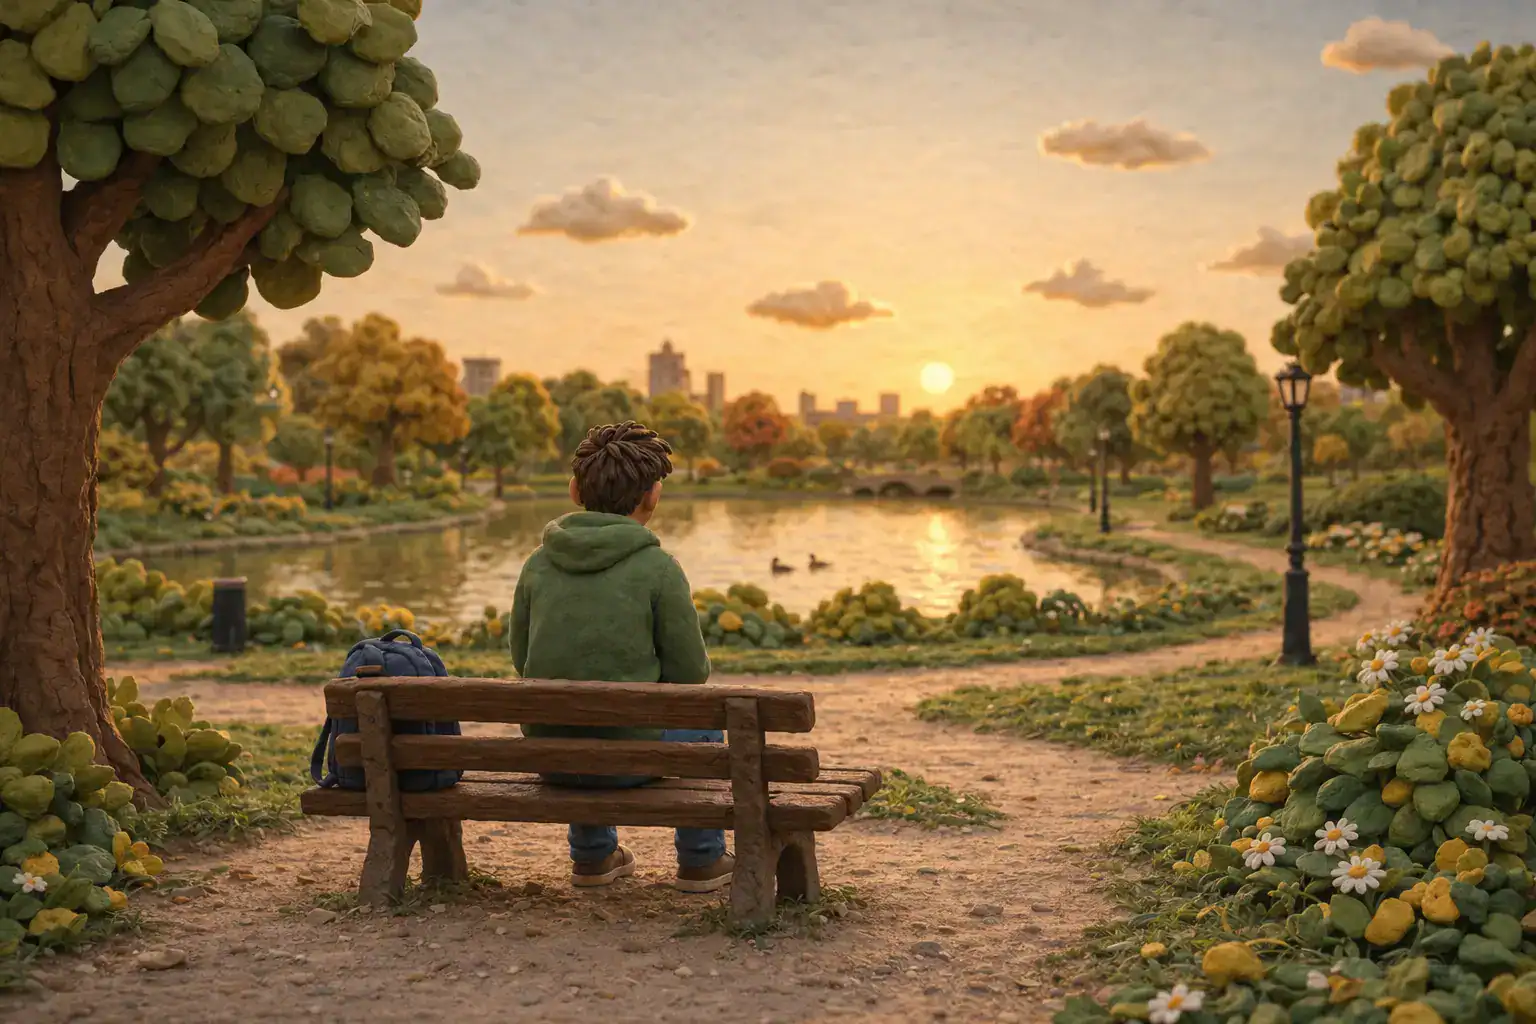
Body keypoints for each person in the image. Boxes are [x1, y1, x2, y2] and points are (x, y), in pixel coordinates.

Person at [510, 421, 733, 892]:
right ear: (652, 496)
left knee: (573, 710)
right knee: (705, 729)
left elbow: (521, 656)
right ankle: (702, 859)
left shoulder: (536, 564)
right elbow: (691, 676)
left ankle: (593, 857)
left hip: (554, 753)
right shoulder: (659, 568)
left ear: (574, 490)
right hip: (633, 758)